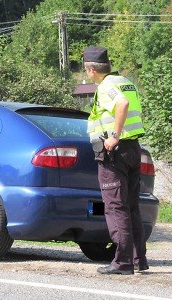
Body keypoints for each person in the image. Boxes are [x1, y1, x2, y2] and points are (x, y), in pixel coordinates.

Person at [84, 46, 148, 275]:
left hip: (114, 152)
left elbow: (122, 104)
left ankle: (122, 263)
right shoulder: (125, 81)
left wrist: (114, 136)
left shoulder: (106, 87)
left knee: (114, 206)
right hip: (132, 149)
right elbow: (136, 112)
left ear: (91, 70)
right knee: (131, 207)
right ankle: (138, 259)